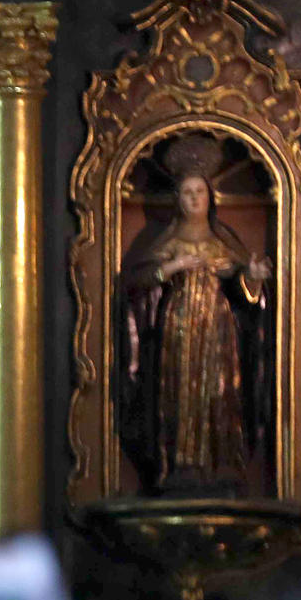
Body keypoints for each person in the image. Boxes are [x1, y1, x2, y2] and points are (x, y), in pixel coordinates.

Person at [119, 136, 272, 494]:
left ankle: (220, 465)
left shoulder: (224, 240)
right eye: (187, 192)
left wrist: (252, 277)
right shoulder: (164, 241)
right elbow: (136, 286)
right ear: (177, 199)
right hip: (178, 327)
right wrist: (170, 268)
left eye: (199, 192)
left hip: (220, 330)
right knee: (179, 391)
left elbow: (246, 297)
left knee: (219, 393)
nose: (193, 199)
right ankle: (180, 464)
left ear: (210, 197)